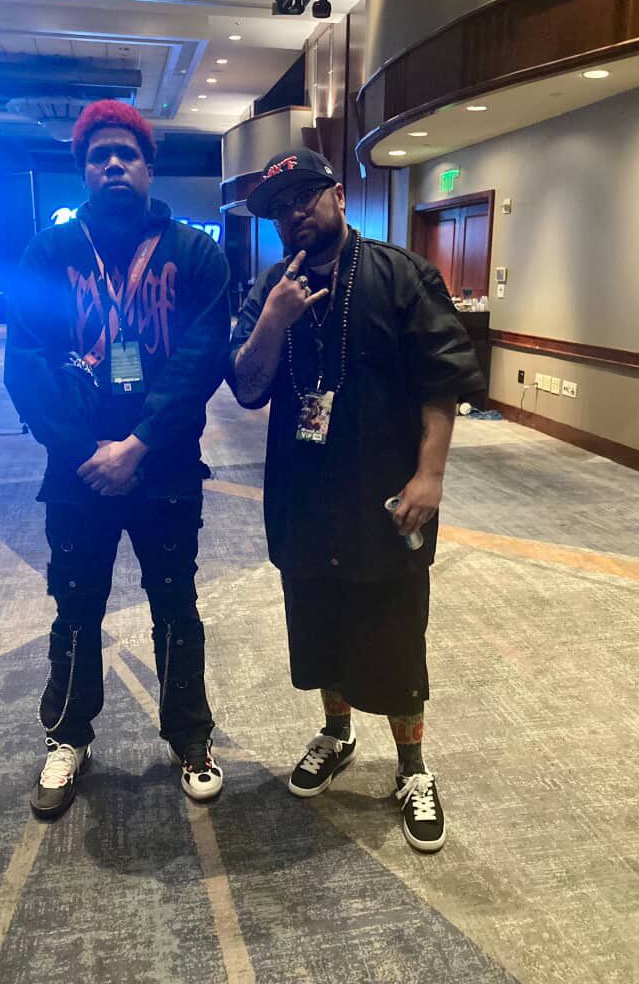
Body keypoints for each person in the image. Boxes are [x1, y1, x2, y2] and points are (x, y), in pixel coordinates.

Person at [229, 149, 485, 852]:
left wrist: (430, 476)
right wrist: (274, 319)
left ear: (338, 195)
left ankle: (413, 766)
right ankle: (336, 734)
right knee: (320, 625)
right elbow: (245, 387)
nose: (293, 214)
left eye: (304, 197)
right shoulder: (271, 287)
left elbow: (442, 382)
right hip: (303, 493)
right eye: (279, 209)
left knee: (396, 633)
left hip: (385, 495)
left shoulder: (401, 275)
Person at [4, 100, 230, 818]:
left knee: (176, 605)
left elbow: (201, 359)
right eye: (99, 156)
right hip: (77, 475)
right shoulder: (49, 254)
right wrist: (86, 451)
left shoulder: (194, 253)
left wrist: (138, 445)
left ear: (148, 167)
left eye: (126, 154)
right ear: (84, 171)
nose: (113, 166)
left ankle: (190, 737)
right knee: (75, 607)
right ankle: (68, 738)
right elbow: (25, 364)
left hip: (166, 468)